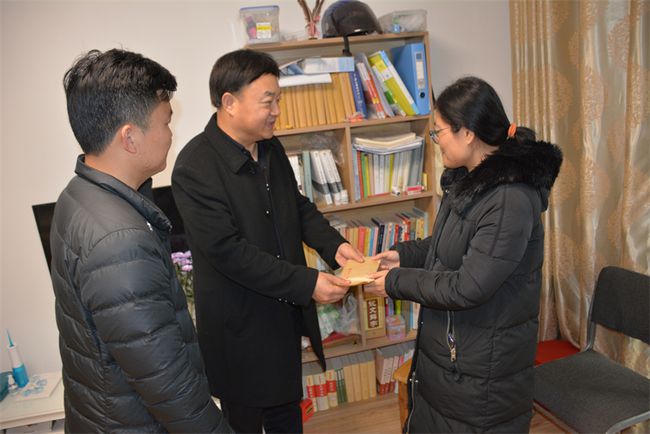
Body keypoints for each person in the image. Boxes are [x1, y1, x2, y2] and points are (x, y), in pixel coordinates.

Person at [171, 49, 363, 433]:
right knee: (245, 423)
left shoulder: (269, 146)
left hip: (282, 318)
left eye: (278, 99)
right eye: (268, 101)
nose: (277, 110)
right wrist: (307, 282)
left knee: (287, 419)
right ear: (229, 102)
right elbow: (229, 253)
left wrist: (334, 246)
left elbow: (297, 206)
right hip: (240, 330)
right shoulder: (195, 167)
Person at [365, 76, 563, 433]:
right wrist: (402, 256)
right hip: (459, 356)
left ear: (467, 132)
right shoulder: (469, 180)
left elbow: (467, 287)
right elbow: (448, 247)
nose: (436, 139)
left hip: (482, 372)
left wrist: (396, 282)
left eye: (438, 131)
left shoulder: (509, 199)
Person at [50, 49, 232, 433]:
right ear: (130, 137)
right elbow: (168, 385)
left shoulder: (76, 194)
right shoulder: (120, 241)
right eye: (166, 122)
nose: (171, 134)